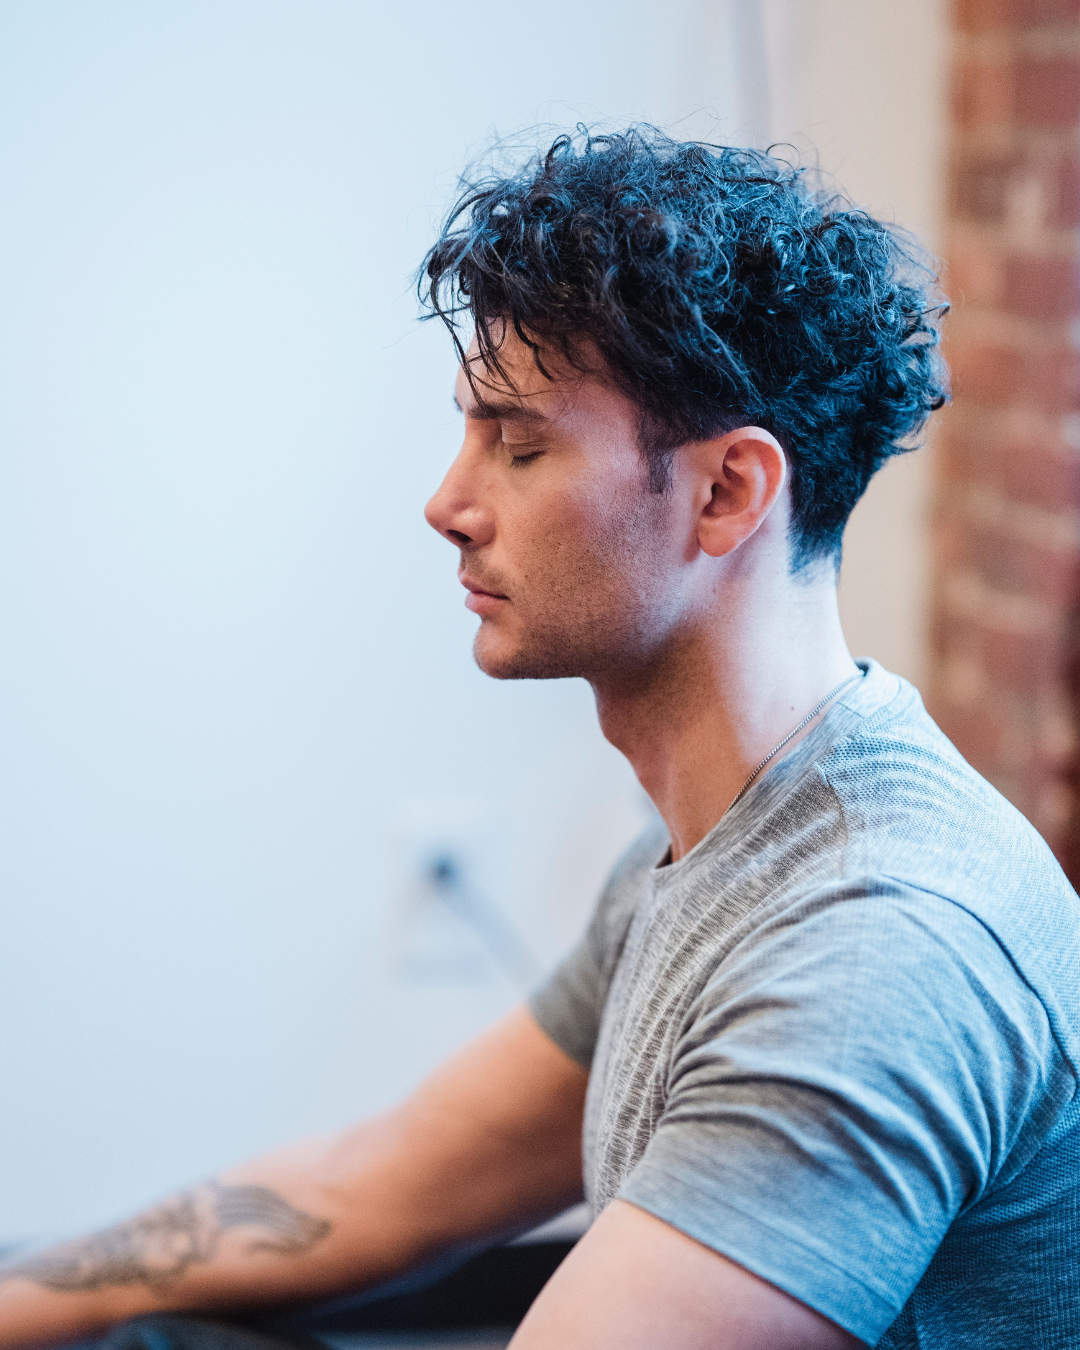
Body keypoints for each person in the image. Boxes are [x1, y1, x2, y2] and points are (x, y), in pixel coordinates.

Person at [2, 125, 1078, 1350]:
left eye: (519, 445)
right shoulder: (716, 835)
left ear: (728, 492)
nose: (447, 504)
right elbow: (376, 1187)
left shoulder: (879, 941)